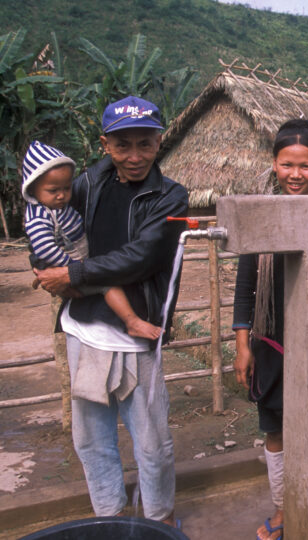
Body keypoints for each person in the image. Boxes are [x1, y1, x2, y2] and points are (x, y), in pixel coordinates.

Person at [34, 96, 188, 526]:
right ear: (105, 144)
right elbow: (50, 218)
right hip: (84, 327)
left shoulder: (171, 197)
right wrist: (43, 258)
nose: (135, 156)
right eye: (123, 145)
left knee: (152, 442)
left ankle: (159, 520)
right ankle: (109, 515)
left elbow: (142, 257)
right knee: (91, 437)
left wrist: (73, 274)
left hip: (138, 334)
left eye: (145, 144)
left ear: (160, 141)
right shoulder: (85, 183)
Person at [233, 119, 308, 540]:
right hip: (271, 341)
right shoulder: (258, 216)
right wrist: (242, 344)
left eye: (305, 165)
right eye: (287, 165)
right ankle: (284, 507)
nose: (296, 174)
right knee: (275, 428)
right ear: (274, 164)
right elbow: (245, 286)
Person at [22, 140, 161, 340]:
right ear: (33, 189)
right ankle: (132, 322)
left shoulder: (56, 207)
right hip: (71, 265)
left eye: (67, 188)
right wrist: (72, 271)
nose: (62, 195)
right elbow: (44, 249)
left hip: (79, 261)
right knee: (108, 285)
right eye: (53, 191)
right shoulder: (38, 217)